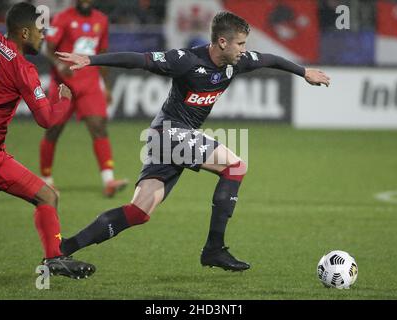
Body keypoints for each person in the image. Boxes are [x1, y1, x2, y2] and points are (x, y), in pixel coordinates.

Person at [57, 11, 330, 271]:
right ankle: (214, 249)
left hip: (166, 137)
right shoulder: (185, 60)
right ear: (222, 42)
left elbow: (270, 59)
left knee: (138, 212)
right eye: (240, 44)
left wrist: (304, 72)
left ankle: (62, 249)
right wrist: (91, 60)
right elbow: (139, 60)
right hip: (169, 132)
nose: (244, 50)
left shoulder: (238, 61)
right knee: (235, 167)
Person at [0, 2, 95, 279]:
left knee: (47, 195)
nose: (44, 37)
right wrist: (64, 102)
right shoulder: (22, 68)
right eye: (41, 31)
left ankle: (54, 257)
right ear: (25, 33)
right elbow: (46, 120)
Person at [40, 0, 128, 197]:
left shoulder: (101, 20)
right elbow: (48, 47)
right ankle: (46, 179)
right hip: (65, 83)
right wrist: (59, 64)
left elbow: (102, 53)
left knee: (98, 126)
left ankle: (109, 181)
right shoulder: (63, 17)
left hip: (90, 83)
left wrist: (105, 86)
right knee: (53, 130)